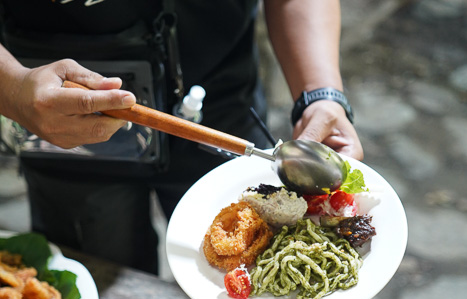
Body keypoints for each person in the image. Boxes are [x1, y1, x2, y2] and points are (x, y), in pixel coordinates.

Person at [0, 0, 363, 274]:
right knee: (96, 292)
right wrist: (13, 88)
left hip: (221, 104)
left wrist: (320, 94)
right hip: (65, 117)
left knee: (258, 295)